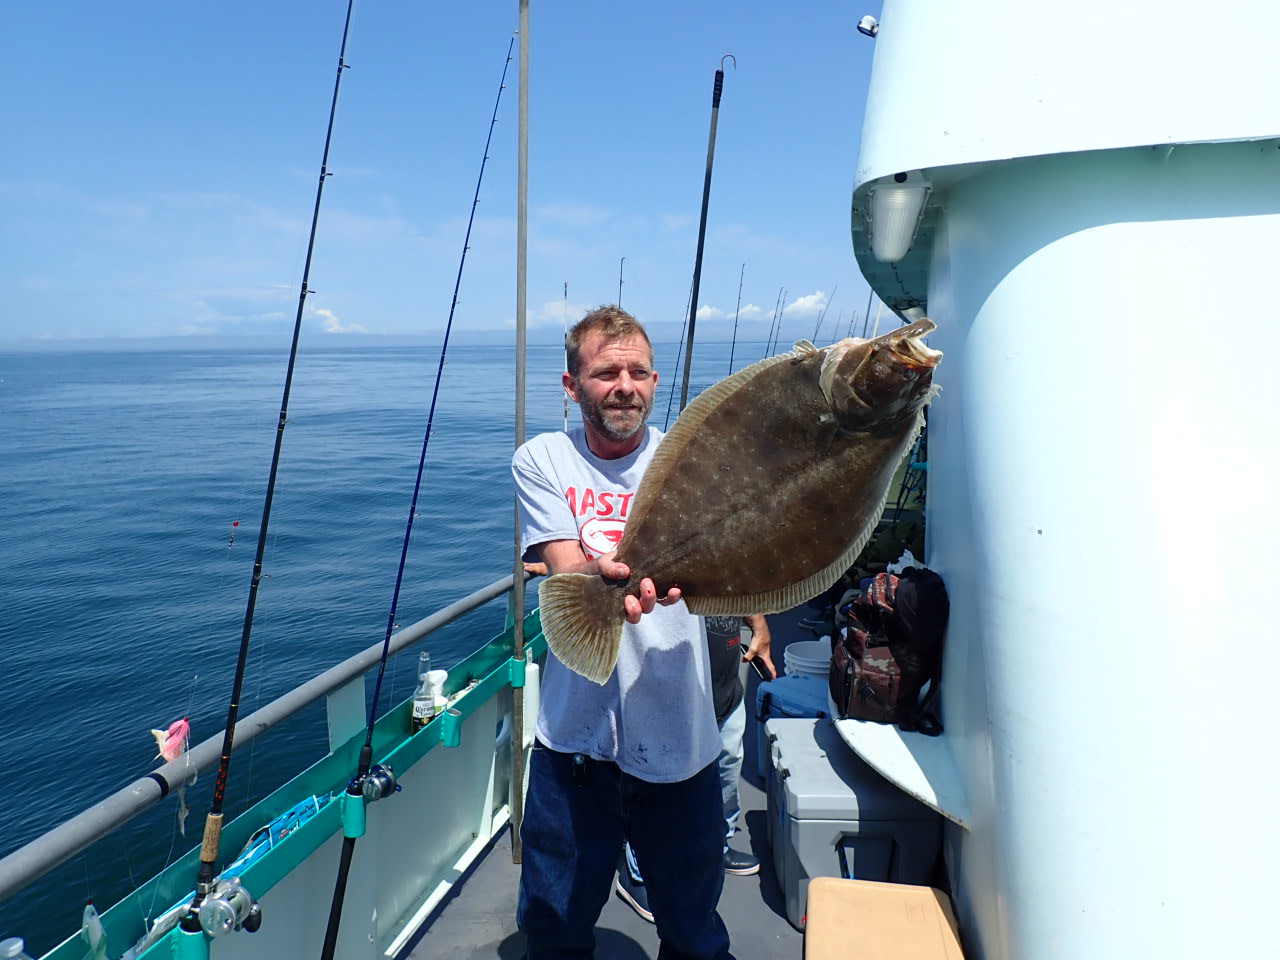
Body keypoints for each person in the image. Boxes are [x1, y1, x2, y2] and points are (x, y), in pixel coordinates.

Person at [512, 305, 734, 960]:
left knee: (694, 934)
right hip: (574, 745)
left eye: (638, 372)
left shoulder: (690, 458)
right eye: (606, 372)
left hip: (680, 740)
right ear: (571, 384)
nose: (625, 386)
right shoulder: (544, 458)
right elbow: (564, 568)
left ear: (656, 380)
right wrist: (605, 575)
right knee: (554, 929)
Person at [614, 614, 776, 923]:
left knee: (728, 767)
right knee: (653, 786)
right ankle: (638, 874)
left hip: (725, 690)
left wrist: (759, 623)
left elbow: (739, 579)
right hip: (670, 696)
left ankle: (720, 844)